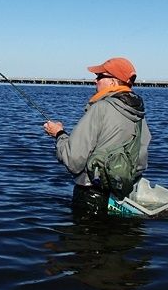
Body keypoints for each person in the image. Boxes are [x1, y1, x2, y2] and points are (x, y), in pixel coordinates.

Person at [43, 57, 151, 215]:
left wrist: (59, 134)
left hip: (91, 196)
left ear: (113, 82)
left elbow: (73, 160)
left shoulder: (100, 108)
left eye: (100, 76)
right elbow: (140, 161)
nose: (95, 80)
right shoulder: (139, 114)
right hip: (122, 194)